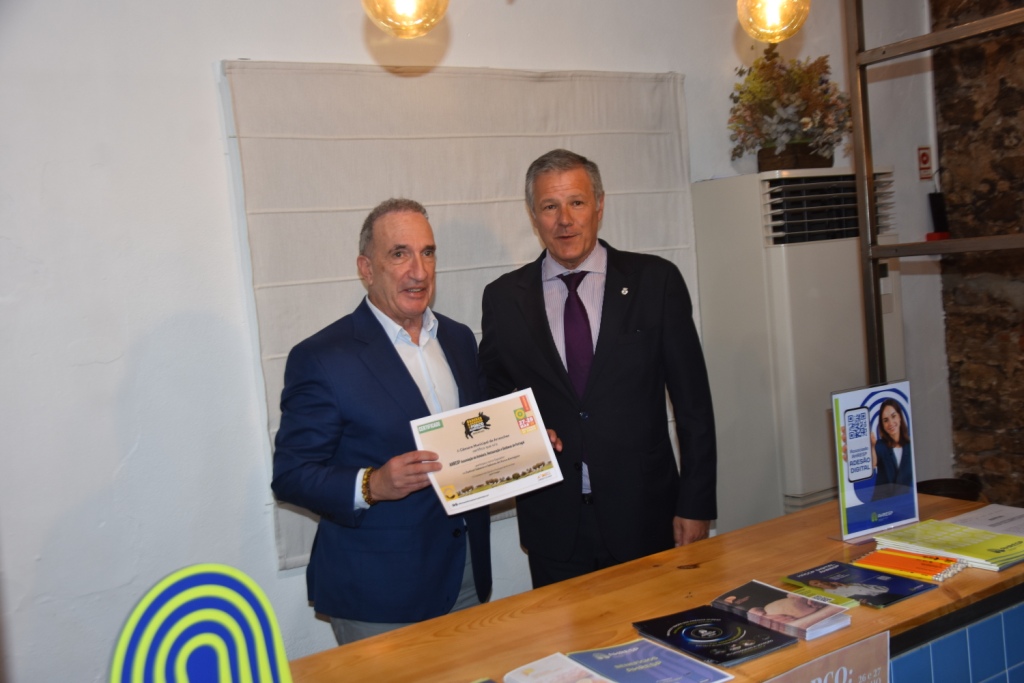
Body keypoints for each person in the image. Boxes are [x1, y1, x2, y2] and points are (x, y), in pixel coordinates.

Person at [479, 149, 717, 588]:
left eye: (577, 202)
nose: (564, 220)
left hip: (646, 517)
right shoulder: (503, 299)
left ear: (600, 205)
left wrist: (696, 505)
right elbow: (491, 397)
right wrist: (520, 437)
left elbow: (694, 406)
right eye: (550, 206)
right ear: (533, 215)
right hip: (554, 525)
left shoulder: (655, 281)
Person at [271, 198, 492, 644]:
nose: (419, 271)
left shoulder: (458, 338)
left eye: (427, 252)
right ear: (366, 269)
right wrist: (372, 484)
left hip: (466, 576)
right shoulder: (322, 357)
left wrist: (525, 445)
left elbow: (471, 439)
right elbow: (291, 476)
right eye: (399, 254)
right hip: (379, 594)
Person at [870, 398, 914, 501]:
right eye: (885, 420)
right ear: (882, 425)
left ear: (899, 417)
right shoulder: (880, 446)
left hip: (904, 504)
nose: (890, 423)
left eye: (893, 416)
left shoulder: (910, 446)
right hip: (882, 505)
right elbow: (873, 463)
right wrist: (872, 446)